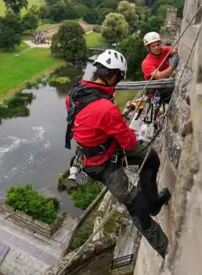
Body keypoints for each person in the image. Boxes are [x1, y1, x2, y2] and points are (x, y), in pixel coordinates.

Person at [65, 49, 171, 258]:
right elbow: (129, 142)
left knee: (150, 157)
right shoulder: (105, 108)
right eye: (118, 79)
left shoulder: (74, 95)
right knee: (135, 205)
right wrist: (117, 126)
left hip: (98, 151)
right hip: (103, 164)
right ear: (112, 76)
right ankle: (166, 249)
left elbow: (85, 125)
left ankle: (154, 203)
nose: (116, 85)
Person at [142, 32, 179, 104]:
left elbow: (175, 50)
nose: (157, 48)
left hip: (166, 85)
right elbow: (160, 76)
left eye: (158, 45)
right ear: (147, 48)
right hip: (156, 92)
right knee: (174, 99)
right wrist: (173, 66)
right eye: (153, 46)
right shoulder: (146, 63)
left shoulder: (164, 51)